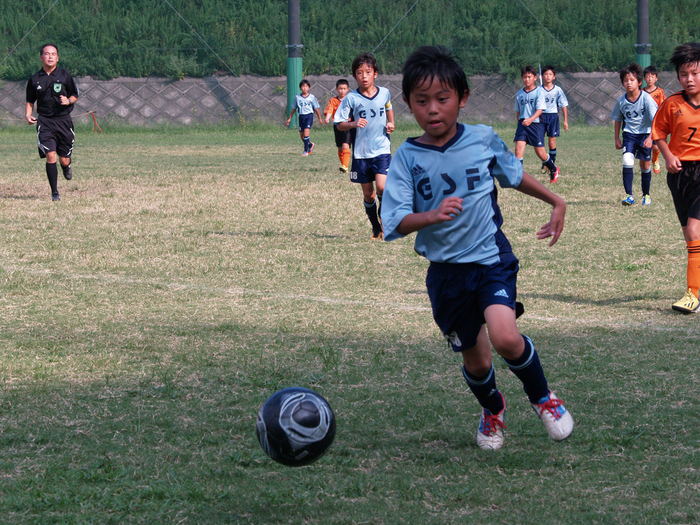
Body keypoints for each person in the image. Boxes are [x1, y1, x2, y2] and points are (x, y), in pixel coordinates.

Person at [381, 45, 573, 450]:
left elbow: (514, 175)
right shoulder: (406, 158)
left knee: (505, 337)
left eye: (443, 98)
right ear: (409, 106)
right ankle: (493, 409)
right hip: (447, 273)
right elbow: (393, 221)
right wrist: (430, 216)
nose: (433, 109)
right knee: (478, 360)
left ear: (462, 99)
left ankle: (543, 398)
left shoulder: (483, 139)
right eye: (422, 101)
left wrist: (556, 201)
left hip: (490, 260)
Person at [651, 42, 700, 313]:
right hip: (680, 175)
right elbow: (658, 133)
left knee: (695, 230)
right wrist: (668, 156)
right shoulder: (672, 104)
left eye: (694, 73)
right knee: (690, 236)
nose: (689, 79)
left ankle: (693, 295)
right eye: (684, 74)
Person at [334, 53, 395, 240]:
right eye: (360, 73)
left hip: (382, 149)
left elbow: (388, 106)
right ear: (355, 76)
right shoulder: (351, 99)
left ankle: (384, 219)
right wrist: (353, 123)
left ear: (375, 73)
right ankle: (376, 227)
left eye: (368, 72)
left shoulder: (384, 92)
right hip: (361, 153)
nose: (364, 76)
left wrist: (391, 122)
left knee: (383, 188)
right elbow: (339, 123)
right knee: (368, 194)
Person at [25, 43, 79, 201]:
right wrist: (28, 115)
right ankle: (55, 192)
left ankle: (66, 166)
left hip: (63, 121)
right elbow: (29, 100)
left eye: (53, 54)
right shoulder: (35, 79)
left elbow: (75, 95)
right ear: (41, 57)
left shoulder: (64, 75)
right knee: (50, 155)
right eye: (47, 54)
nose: (50, 56)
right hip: (45, 122)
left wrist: (68, 100)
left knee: (64, 158)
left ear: (58, 57)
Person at [611, 63, 658, 206]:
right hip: (629, 135)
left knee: (645, 166)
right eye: (626, 80)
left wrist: (651, 138)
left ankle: (646, 195)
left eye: (632, 80)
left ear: (639, 82)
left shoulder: (646, 98)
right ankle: (629, 196)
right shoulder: (621, 101)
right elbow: (618, 119)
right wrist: (617, 138)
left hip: (645, 134)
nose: (628, 83)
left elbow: (655, 119)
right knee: (627, 161)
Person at [514, 65, 560, 183]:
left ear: (535, 78)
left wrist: (530, 119)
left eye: (529, 77)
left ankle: (553, 168)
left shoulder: (539, 92)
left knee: (540, 152)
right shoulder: (519, 94)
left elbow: (540, 110)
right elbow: (518, 111)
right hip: (523, 124)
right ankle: (519, 177)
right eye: (524, 77)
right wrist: (520, 121)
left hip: (536, 124)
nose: (527, 79)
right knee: (518, 149)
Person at [540, 65, 569, 168]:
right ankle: (545, 161)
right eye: (546, 74)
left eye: (550, 74)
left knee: (551, 141)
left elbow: (564, 105)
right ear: (542, 76)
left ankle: (551, 163)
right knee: (540, 141)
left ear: (554, 77)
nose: (548, 76)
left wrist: (565, 121)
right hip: (540, 116)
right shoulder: (539, 90)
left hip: (553, 117)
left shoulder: (558, 90)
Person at [285, 79, 323, 156]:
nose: (304, 88)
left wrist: (320, 118)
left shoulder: (312, 97)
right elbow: (293, 109)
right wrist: (289, 118)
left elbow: (316, 108)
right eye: (303, 86)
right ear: (300, 88)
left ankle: (306, 151)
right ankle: (310, 144)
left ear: (309, 87)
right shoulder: (297, 97)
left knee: (306, 133)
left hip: (309, 116)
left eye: (306, 86)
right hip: (301, 116)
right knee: (302, 136)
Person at [324, 78, 353, 173]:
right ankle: (344, 166)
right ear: (337, 89)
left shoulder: (351, 99)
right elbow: (330, 109)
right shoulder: (333, 100)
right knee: (340, 147)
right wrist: (328, 118)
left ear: (348, 89)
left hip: (348, 126)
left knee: (345, 146)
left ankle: (345, 165)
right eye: (340, 88)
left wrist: (351, 118)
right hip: (337, 126)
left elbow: (355, 110)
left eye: (344, 88)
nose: (342, 90)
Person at [643, 65, 666, 174]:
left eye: (652, 76)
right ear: (644, 78)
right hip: (645, 124)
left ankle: (655, 160)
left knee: (656, 147)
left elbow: (663, 106)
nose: (650, 78)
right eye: (647, 76)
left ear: (656, 78)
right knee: (645, 146)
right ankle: (645, 164)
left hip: (656, 123)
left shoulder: (660, 92)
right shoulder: (641, 92)